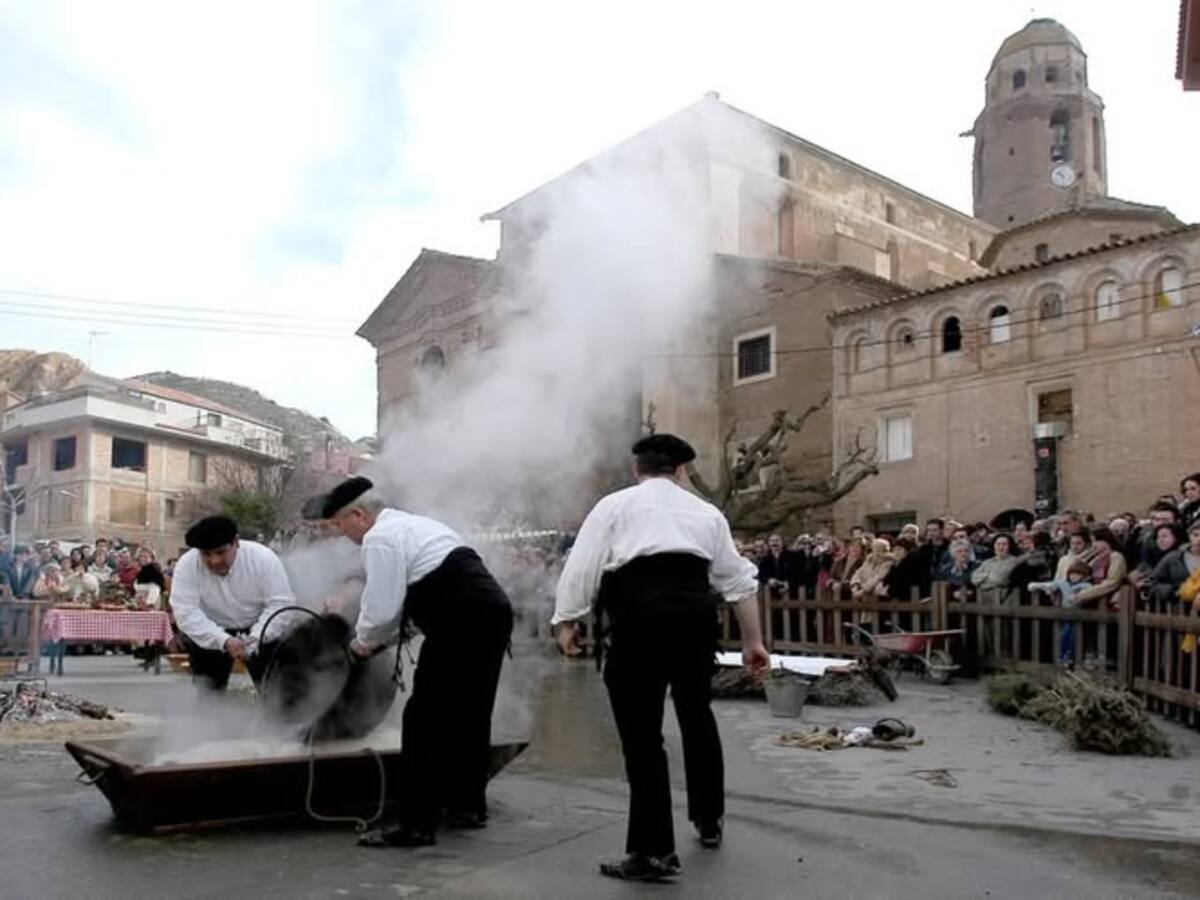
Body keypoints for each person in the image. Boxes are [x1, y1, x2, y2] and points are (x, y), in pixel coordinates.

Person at [553, 434, 769, 883]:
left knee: (643, 738)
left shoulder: (615, 506)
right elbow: (739, 583)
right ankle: (709, 818)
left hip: (639, 622)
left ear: (638, 470)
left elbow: (583, 565)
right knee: (697, 716)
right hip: (694, 623)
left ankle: (654, 851)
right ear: (682, 472)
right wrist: (753, 642)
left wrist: (566, 619)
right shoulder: (707, 513)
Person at [320, 476, 513, 849]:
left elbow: (381, 610)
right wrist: (383, 639)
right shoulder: (417, 526)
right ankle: (467, 807)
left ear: (358, 515)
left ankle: (416, 825)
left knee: (423, 721)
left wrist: (361, 645)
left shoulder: (380, 538)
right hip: (492, 614)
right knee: (471, 713)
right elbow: (413, 608)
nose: (342, 535)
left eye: (339, 526)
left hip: (461, 623)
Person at [168, 516, 297, 692]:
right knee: (208, 697)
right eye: (206, 554)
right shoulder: (187, 565)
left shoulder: (263, 558)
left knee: (276, 693)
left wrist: (257, 637)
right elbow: (186, 612)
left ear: (236, 542)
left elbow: (280, 604)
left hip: (261, 628)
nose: (214, 561)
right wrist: (223, 640)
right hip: (210, 631)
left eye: (220, 552)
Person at [1030, 559, 1096, 665]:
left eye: (1078, 574)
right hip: (1066, 614)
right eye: (1072, 573)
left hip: (1079, 615)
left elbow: (1085, 595)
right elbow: (1050, 585)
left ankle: (1070, 658)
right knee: (1064, 634)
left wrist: (1077, 596)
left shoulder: (1086, 586)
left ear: (1084, 575)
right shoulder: (1063, 583)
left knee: (1074, 636)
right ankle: (1062, 657)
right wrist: (1036, 585)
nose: (1074, 576)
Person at [971, 533, 1020, 599]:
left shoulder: (1015, 561)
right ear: (994, 546)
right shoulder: (987, 562)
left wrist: (984, 580)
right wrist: (989, 576)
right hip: (985, 599)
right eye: (998, 544)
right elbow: (974, 579)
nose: (1001, 547)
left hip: (1006, 599)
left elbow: (1000, 580)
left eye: (1004, 544)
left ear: (1009, 546)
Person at [757, 534, 792, 600]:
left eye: (777, 540)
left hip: (791, 592)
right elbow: (761, 575)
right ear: (769, 544)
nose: (774, 543)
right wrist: (768, 580)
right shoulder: (765, 559)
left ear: (782, 543)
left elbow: (798, 572)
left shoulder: (792, 556)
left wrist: (789, 583)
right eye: (772, 541)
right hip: (772, 593)